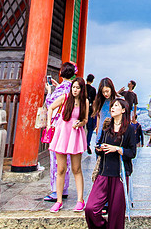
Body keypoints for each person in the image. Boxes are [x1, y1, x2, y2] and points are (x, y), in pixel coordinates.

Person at [84, 97, 138, 229]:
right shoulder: (107, 125)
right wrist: (99, 148)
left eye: (116, 106)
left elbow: (132, 152)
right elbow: (100, 146)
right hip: (104, 172)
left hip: (119, 175)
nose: (113, 108)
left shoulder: (129, 129)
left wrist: (118, 149)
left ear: (123, 110)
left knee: (116, 214)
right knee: (90, 208)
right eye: (112, 106)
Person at [48, 76, 88, 212]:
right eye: (74, 87)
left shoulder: (85, 102)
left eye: (78, 88)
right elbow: (51, 107)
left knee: (76, 169)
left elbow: (85, 119)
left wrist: (80, 123)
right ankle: (59, 200)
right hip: (62, 133)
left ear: (82, 89)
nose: (75, 90)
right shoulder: (65, 98)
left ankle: (80, 200)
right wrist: (48, 126)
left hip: (75, 134)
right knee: (61, 169)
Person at [42, 62, 78, 202]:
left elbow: (51, 103)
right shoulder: (73, 88)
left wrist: (50, 91)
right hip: (69, 126)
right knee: (66, 159)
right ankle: (64, 188)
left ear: (61, 73)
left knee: (56, 159)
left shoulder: (61, 89)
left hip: (57, 126)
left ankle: (56, 190)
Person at [91, 77, 117, 152]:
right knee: (100, 162)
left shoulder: (118, 101)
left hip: (113, 135)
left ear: (111, 89)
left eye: (107, 91)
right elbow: (99, 118)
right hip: (101, 135)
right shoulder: (100, 101)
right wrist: (98, 136)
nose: (105, 94)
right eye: (103, 92)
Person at [84, 74, 98, 153]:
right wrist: (94, 111)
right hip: (89, 110)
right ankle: (87, 143)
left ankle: (81, 142)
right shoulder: (93, 90)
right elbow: (94, 102)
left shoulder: (83, 88)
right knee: (90, 128)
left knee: (81, 128)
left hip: (81, 110)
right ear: (92, 81)